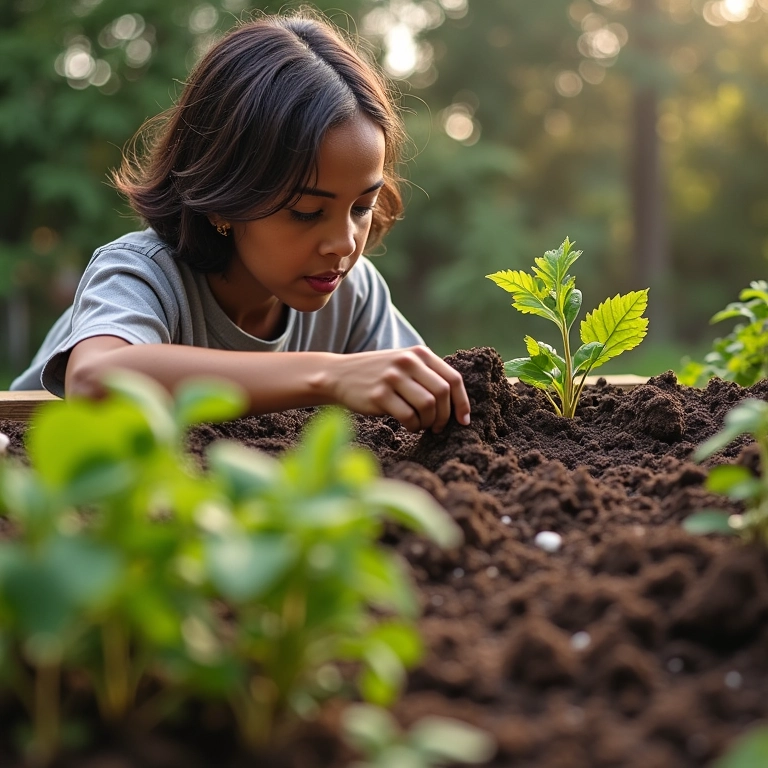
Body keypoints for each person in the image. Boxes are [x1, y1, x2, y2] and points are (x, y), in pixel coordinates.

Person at [11, 10, 470, 434]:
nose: (344, 244)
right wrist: (329, 375)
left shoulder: (354, 297)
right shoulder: (142, 275)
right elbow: (95, 380)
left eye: (361, 208)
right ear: (221, 201)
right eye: (307, 212)